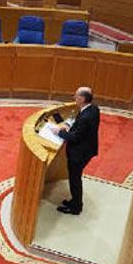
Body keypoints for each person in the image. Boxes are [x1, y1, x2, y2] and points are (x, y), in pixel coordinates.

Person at [56, 87, 100, 215]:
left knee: (75, 179)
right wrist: (70, 126)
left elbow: (75, 138)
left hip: (79, 154)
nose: (74, 98)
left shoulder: (86, 117)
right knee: (75, 178)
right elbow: (81, 128)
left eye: (76, 96)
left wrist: (60, 132)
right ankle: (75, 201)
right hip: (87, 149)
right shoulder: (93, 109)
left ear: (82, 98)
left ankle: (76, 207)